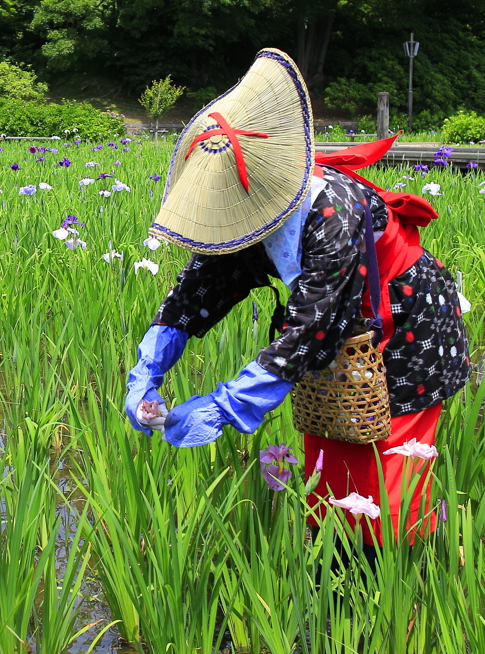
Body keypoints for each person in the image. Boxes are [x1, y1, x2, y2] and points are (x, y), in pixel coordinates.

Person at [124, 48, 470, 547]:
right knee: (330, 448)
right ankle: (332, 576)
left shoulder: (332, 212)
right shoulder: (248, 210)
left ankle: (394, 583)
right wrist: (147, 372)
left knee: (387, 466)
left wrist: (223, 407)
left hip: (407, 332)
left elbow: (312, 327)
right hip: (342, 339)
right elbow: (196, 289)